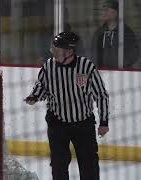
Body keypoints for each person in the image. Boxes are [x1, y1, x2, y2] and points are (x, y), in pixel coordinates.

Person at [25, 32, 110, 180]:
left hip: (83, 124)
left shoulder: (86, 67)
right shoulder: (49, 66)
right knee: (58, 165)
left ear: (70, 52)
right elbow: (42, 86)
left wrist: (104, 122)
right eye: (53, 49)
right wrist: (35, 96)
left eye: (57, 50)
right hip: (57, 123)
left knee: (88, 164)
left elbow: (101, 95)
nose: (53, 53)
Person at [91, 0, 140, 68]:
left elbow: (133, 54)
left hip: (120, 73)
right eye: (102, 10)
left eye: (106, 10)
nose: (103, 13)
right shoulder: (99, 33)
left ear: (115, 13)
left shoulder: (126, 32)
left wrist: (123, 66)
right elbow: (93, 54)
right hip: (102, 72)